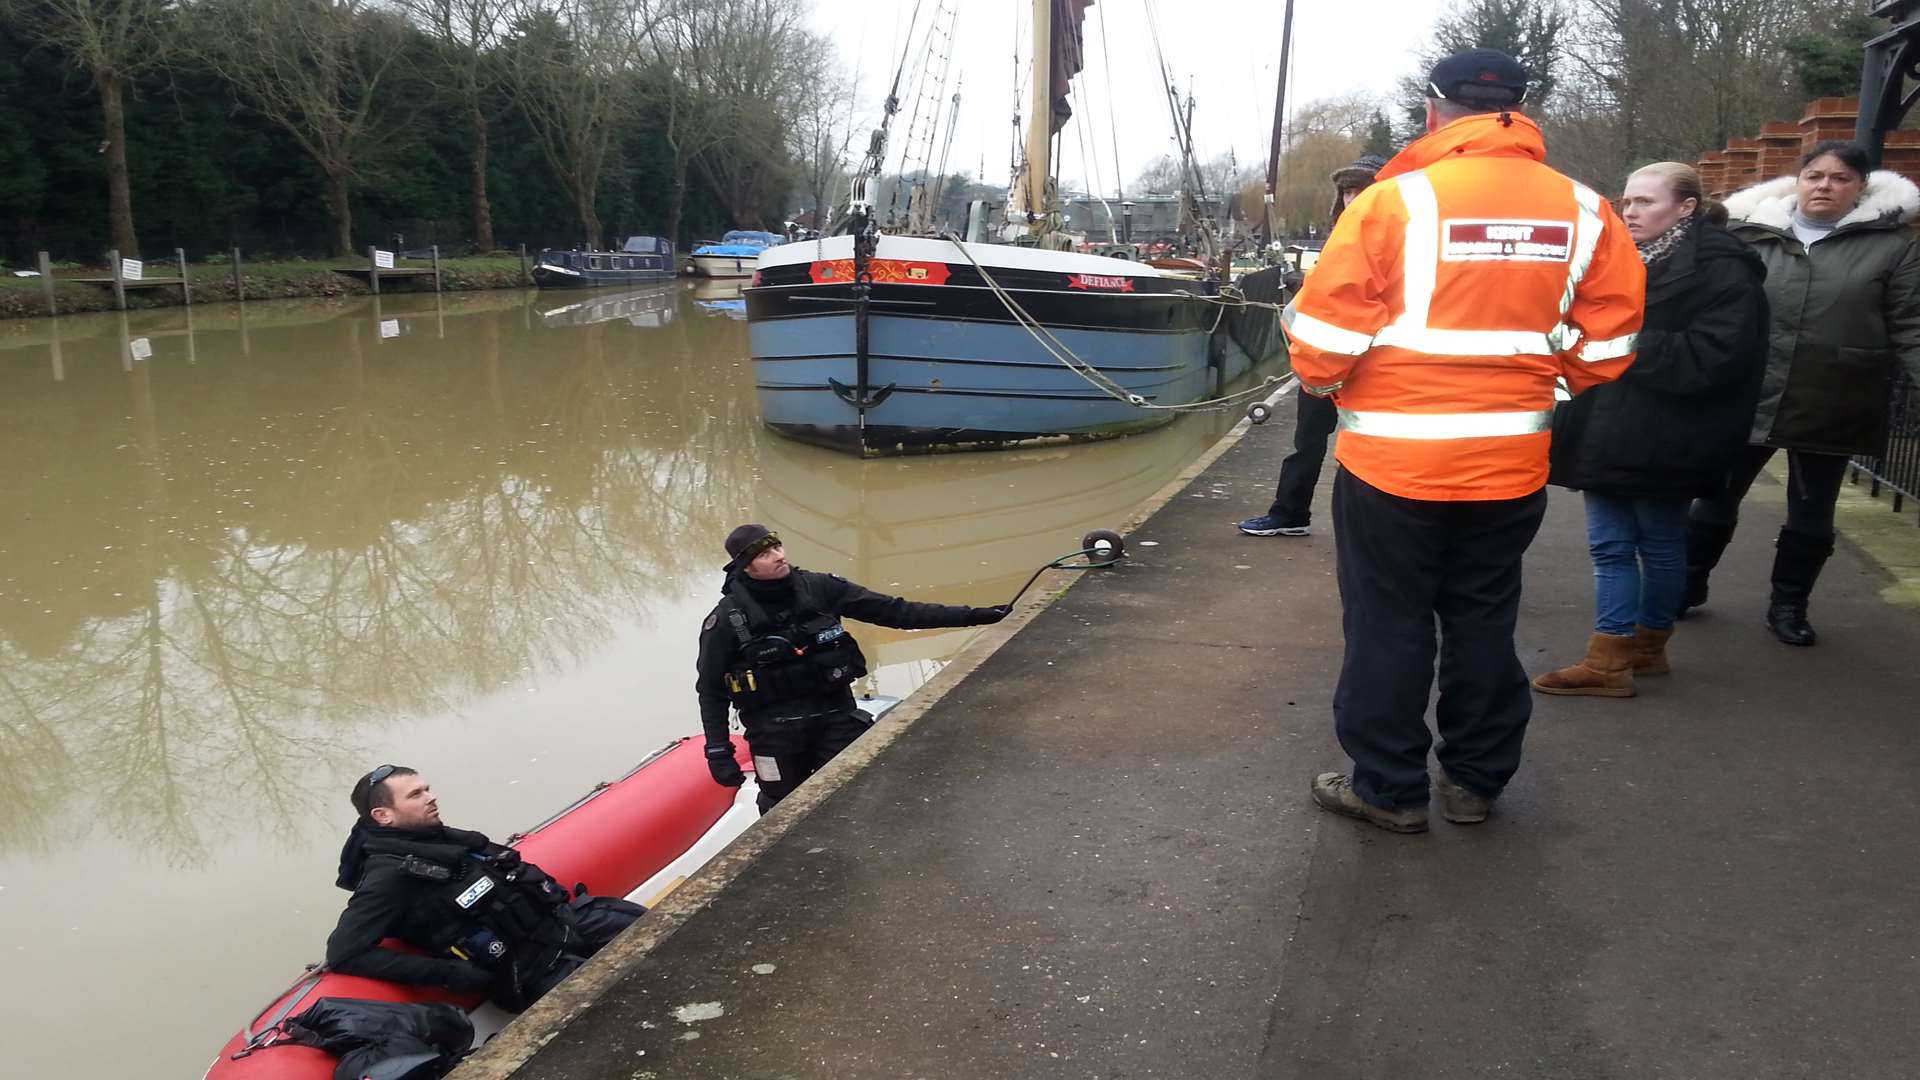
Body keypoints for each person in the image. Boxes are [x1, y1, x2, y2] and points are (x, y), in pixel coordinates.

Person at [1282, 49, 1645, 833]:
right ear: (1520, 106)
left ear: (1433, 110)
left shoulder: (1391, 202)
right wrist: (1542, 387)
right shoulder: (1586, 209)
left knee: (1388, 622)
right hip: (1510, 462)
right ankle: (1476, 782)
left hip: (1392, 462)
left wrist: (1336, 381)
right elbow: (1610, 345)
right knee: (1483, 617)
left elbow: (1319, 344)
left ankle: (1389, 789)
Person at [1531, 163, 1769, 696]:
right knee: (1648, 542)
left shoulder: (1722, 269)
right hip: (1616, 422)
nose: (1631, 212)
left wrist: (1621, 341)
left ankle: (1611, 660)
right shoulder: (1625, 259)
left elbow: (1717, 357)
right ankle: (1644, 647)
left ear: (1686, 207)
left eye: (1645, 202)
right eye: (1627, 201)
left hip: (1666, 426)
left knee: (1627, 544)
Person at [1686, 141, 1920, 645]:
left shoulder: (1894, 245)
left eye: (1840, 178)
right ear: (1798, 180)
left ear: (1860, 188)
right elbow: (1712, 308)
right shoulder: (1751, 233)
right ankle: (1686, 584)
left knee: (1812, 513)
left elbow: (1911, 325)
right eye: (1815, 175)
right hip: (1749, 391)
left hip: (1835, 394)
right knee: (1714, 497)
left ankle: (1789, 604)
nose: (1825, 186)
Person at [697, 524, 1009, 813]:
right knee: (781, 809)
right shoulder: (726, 620)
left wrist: (976, 615)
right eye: (766, 554)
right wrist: (718, 750)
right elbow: (710, 690)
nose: (779, 556)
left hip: (835, 717)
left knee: (860, 796)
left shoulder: (820, 588)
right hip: (774, 732)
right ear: (746, 567)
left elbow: (897, 612)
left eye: (778, 547)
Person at [326, 765, 645, 1011]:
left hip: (561, 926)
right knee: (627, 1000)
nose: (431, 797)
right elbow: (346, 953)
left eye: (427, 789)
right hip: (530, 970)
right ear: (383, 816)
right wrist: (448, 973)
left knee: (656, 927)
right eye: (415, 795)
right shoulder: (388, 877)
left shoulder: (442, 839)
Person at [1238, 153, 1388, 537]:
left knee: (1372, 448)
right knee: (1307, 440)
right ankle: (1290, 513)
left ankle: (1372, 527)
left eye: (1361, 189)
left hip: (1375, 364)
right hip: (1324, 360)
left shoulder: (1390, 235)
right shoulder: (1342, 234)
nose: (1353, 198)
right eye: (1347, 191)